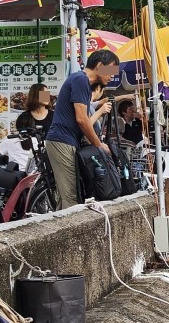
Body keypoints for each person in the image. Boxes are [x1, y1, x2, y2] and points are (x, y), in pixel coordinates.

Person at [44, 50, 120, 209]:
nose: (112, 76)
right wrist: (99, 145)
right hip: (62, 140)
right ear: (100, 66)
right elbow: (82, 119)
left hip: (66, 141)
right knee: (71, 197)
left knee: (69, 195)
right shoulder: (80, 80)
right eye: (111, 70)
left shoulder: (82, 81)